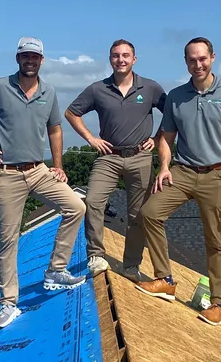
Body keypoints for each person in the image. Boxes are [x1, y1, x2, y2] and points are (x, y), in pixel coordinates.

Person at [0, 37, 86, 330]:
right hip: (5, 174)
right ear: (18, 59)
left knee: (76, 206)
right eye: (25, 56)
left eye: (35, 57)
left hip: (39, 170)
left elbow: (55, 129)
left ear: (42, 60)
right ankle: (8, 303)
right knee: (8, 239)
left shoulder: (49, 91)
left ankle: (56, 271)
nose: (30, 60)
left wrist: (58, 166)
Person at [137, 37, 221, 326]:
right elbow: (166, 138)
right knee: (150, 213)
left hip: (218, 175)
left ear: (213, 57)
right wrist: (164, 166)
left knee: (215, 240)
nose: (197, 64)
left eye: (202, 58)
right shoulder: (176, 97)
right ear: (186, 62)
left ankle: (217, 304)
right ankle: (164, 279)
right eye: (192, 60)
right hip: (183, 172)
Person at [65, 39, 166, 280]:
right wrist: (91, 139)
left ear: (134, 59)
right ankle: (96, 256)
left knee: (138, 215)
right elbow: (71, 112)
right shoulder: (97, 89)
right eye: (115, 56)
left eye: (125, 55)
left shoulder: (150, 88)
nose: (120, 60)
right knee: (93, 201)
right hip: (108, 156)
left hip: (140, 156)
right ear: (110, 59)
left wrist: (158, 136)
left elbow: (172, 114)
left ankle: (131, 265)